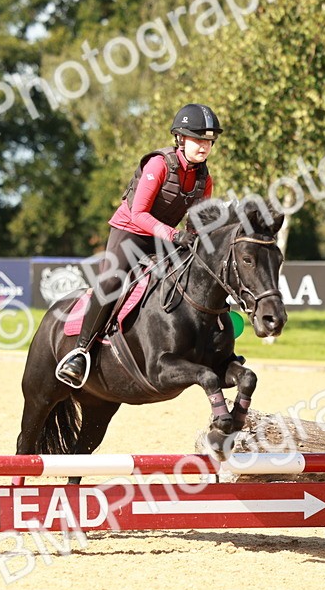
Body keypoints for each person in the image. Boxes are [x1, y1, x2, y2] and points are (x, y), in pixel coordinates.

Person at [55, 103, 221, 387]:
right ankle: (79, 352)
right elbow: (138, 214)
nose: (204, 146)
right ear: (180, 138)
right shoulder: (157, 165)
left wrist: (198, 239)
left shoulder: (204, 179)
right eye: (198, 139)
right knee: (110, 283)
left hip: (163, 238)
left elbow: (195, 223)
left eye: (208, 141)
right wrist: (173, 235)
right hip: (130, 232)